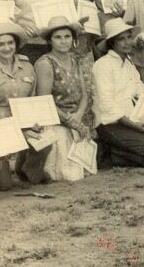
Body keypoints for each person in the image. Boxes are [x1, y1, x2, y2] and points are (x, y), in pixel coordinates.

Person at [0, 22, 51, 187]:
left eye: (10, 43)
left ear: (16, 44)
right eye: (0, 44)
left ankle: (26, 171)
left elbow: (31, 99)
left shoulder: (27, 66)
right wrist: (19, 128)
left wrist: (33, 123)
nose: (6, 48)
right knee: (3, 185)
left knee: (44, 142)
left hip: (22, 121)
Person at [92, 18, 144, 167]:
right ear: (112, 42)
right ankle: (113, 155)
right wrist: (134, 126)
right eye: (121, 39)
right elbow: (107, 105)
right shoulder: (103, 65)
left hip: (133, 118)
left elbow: (141, 90)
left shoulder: (128, 62)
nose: (127, 42)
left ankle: (125, 146)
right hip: (111, 124)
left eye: (129, 37)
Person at [34, 17, 92, 181]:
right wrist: (70, 121)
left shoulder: (75, 60)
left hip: (76, 118)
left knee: (85, 167)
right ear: (50, 40)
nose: (63, 41)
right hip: (55, 120)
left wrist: (79, 116)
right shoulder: (45, 63)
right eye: (58, 37)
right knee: (69, 175)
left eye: (67, 36)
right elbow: (44, 101)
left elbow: (84, 94)